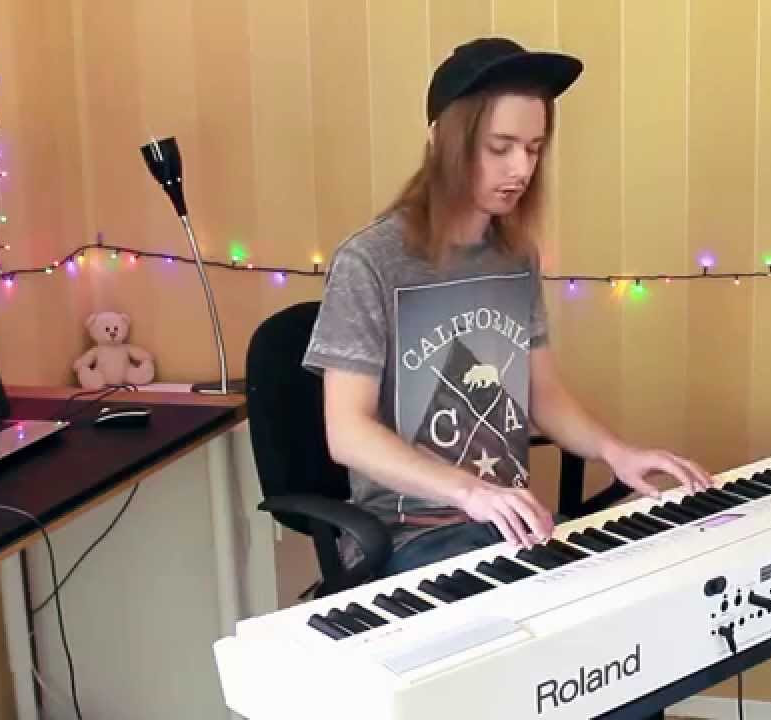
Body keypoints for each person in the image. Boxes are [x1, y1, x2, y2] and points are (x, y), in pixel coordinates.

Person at [303, 37, 712, 577]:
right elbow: (347, 432)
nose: (521, 168)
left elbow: (543, 394)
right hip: (408, 538)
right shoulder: (371, 261)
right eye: (500, 148)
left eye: (534, 149)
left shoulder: (516, 257)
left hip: (506, 526)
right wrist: (470, 492)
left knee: (644, 578)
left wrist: (617, 452)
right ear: (443, 140)